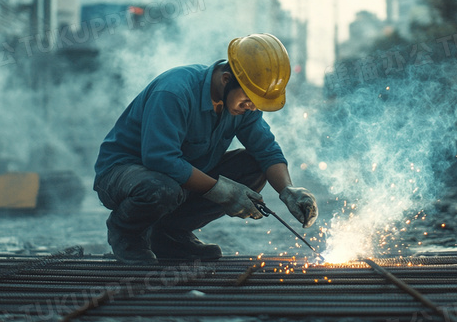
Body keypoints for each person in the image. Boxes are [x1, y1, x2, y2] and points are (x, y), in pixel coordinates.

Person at [93, 33, 319, 265]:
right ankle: (126, 233)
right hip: (124, 175)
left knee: (254, 167)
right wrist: (224, 191)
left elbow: (266, 151)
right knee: (161, 188)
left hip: (177, 179)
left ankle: (169, 236)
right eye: (249, 99)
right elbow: (160, 160)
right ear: (226, 79)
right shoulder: (174, 92)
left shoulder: (243, 106)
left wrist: (288, 190)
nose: (252, 107)